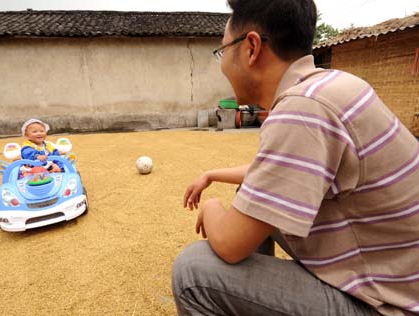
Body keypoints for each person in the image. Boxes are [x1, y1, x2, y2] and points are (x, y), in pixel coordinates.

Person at [172, 0, 419, 315]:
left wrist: (210, 206)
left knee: (192, 272)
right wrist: (212, 174)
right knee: (250, 198)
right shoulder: (330, 87)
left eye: (223, 51)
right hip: (398, 277)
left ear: (251, 48)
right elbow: (276, 175)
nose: (222, 65)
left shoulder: (303, 110)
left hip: (390, 305)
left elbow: (230, 245)